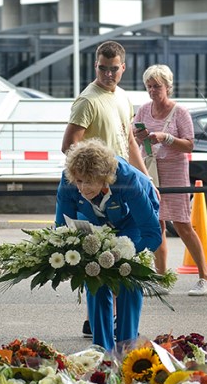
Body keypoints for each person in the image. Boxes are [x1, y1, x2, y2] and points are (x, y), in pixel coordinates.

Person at [62, 40, 150, 338]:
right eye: (102, 68)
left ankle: (125, 338)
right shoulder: (88, 100)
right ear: (95, 65)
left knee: (125, 267)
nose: (108, 74)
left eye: (114, 69)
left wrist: (146, 179)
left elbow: (129, 141)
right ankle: (99, 336)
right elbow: (69, 146)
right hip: (96, 182)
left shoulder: (123, 98)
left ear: (123, 68)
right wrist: (90, 178)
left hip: (123, 185)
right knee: (97, 267)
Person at [55, 138, 161, 351]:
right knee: (94, 274)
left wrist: (125, 257)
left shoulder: (127, 179)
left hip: (132, 221)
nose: (82, 188)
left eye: (88, 181)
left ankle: (126, 346)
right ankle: (101, 349)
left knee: (128, 275)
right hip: (95, 221)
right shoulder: (69, 181)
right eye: (78, 181)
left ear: (105, 178)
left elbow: (152, 234)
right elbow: (61, 228)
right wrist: (66, 259)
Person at [133, 64, 207, 296]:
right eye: (149, 86)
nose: (152, 91)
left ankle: (205, 275)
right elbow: (135, 139)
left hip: (174, 169)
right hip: (150, 169)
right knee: (155, 223)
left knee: (182, 224)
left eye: (157, 86)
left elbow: (189, 144)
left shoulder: (180, 112)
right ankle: (160, 276)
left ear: (168, 87)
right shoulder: (143, 110)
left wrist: (166, 137)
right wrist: (139, 136)